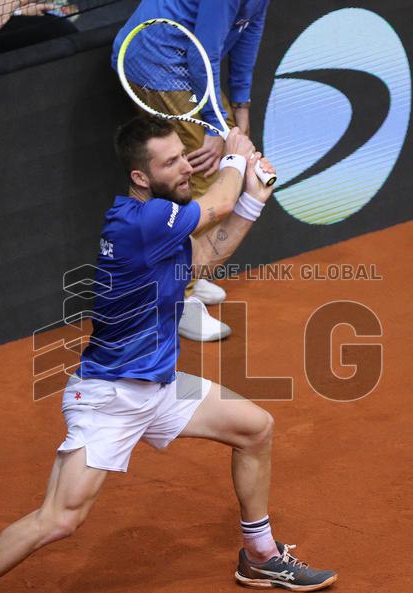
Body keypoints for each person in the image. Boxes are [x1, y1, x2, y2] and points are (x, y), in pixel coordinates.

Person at [0, 117, 337, 593]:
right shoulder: (143, 221)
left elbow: (206, 256)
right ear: (140, 176)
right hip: (109, 397)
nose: (185, 168)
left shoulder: (156, 226)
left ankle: (260, 555)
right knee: (61, 518)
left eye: (183, 156)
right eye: (171, 162)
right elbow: (215, 206)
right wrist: (235, 157)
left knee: (255, 429)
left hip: (159, 388)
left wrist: (254, 197)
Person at [113, 0, 271, 343]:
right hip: (157, 58)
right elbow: (204, 54)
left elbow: (249, 29)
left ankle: (190, 275)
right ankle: (178, 300)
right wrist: (215, 124)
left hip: (185, 60)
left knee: (211, 163)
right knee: (197, 170)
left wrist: (241, 105)